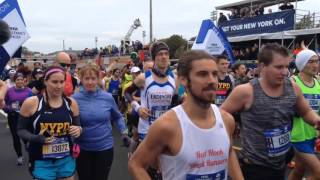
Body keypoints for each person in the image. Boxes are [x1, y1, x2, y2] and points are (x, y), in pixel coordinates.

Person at [128, 50, 243, 180]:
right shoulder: (166, 126)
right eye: (203, 74)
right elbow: (136, 164)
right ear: (183, 79)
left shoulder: (227, 120)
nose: (211, 80)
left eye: (214, 74)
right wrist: (137, 108)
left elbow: (229, 152)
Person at [220, 43, 320, 180]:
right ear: (262, 66)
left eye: (286, 66)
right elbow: (220, 117)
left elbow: (306, 112)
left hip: (281, 163)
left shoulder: (293, 88)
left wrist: (316, 120)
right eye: (279, 67)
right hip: (254, 168)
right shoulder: (246, 91)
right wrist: (230, 134)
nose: (285, 72)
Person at [18, 66, 82, 180]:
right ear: (45, 81)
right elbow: (21, 130)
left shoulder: (71, 103)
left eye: (62, 82)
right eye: (54, 82)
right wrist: (37, 138)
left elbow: (78, 126)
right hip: (41, 161)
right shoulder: (32, 103)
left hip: (66, 159)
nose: (59, 86)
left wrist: (79, 130)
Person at [72, 64, 130, 180]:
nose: (90, 82)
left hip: (104, 148)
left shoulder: (107, 97)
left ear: (98, 79)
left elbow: (117, 117)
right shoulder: (74, 99)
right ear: (81, 79)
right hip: (83, 149)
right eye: (86, 79)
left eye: (93, 78)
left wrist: (124, 132)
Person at [288, 49, 320, 180]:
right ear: (301, 64)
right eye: (310, 62)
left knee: (299, 170)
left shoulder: (318, 83)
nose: (315, 65)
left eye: (317, 61)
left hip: (312, 134)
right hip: (297, 136)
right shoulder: (293, 82)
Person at [4, 72, 32, 165]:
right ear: (14, 81)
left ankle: (30, 153)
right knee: (16, 138)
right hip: (13, 117)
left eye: (21, 79)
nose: (19, 81)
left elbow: (34, 104)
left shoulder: (29, 91)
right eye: (17, 79)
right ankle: (19, 156)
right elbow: (4, 104)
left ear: (24, 80)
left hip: (26, 118)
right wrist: (9, 108)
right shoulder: (9, 91)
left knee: (26, 137)